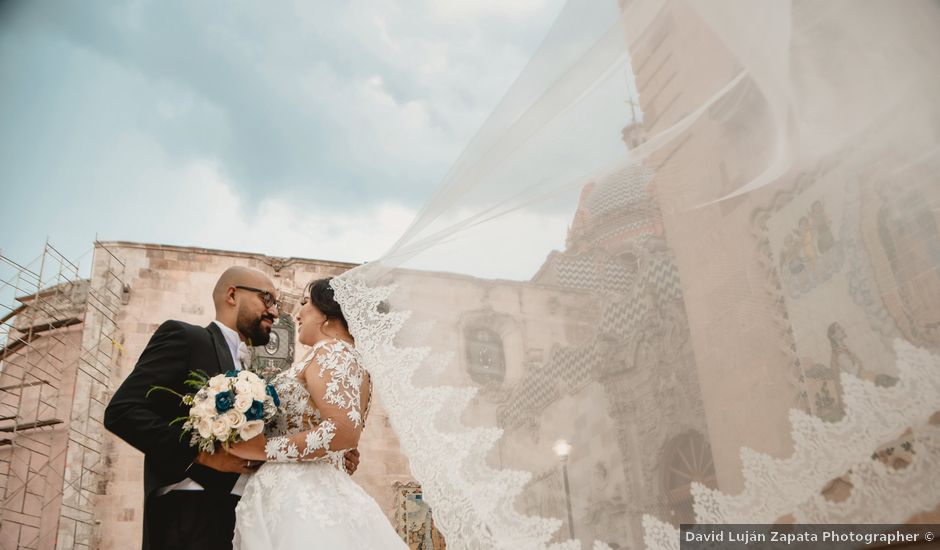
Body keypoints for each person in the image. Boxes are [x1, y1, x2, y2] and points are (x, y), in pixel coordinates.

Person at [104, 267, 360, 550]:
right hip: (192, 512)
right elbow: (123, 411)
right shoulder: (185, 337)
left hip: (245, 515)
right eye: (267, 299)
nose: (275, 313)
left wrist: (326, 448)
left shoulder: (256, 373)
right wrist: (200, 456)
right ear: (232, 295)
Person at [229, 277, 406, 549]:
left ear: (326, 314)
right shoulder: (342, 356)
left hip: (300, 493)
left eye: (305, 304)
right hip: (301, 488)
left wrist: (262, 449)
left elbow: (342, 431)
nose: (298, 314)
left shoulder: (333, 352)